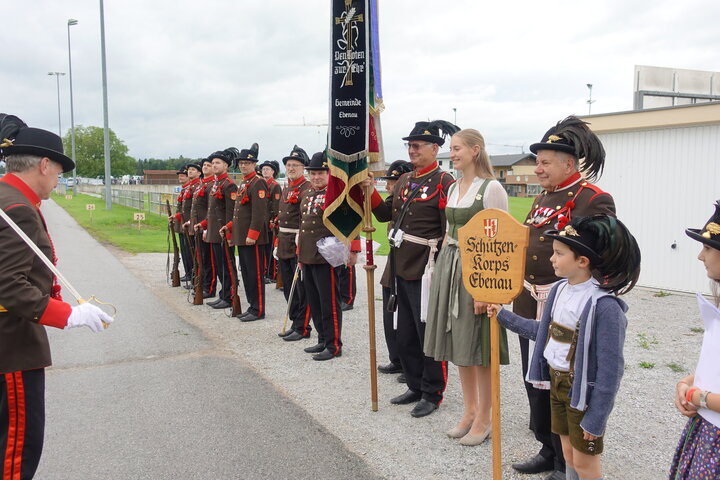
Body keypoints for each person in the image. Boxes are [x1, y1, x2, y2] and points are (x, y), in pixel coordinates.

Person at [0, 115, 114, 479]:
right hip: (11, 344)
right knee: (16, 450)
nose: (59, 179)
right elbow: (8, 285)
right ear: (44, 164)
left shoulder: (9, 197)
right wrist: (67, 315)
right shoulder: (18, 208)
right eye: (59, 171)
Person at [489, 214, 641, 480]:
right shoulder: (559, 289)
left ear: (583, 261)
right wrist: (504, 316)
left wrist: (597, 418)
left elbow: (611, 370)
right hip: (556, 384)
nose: (551, 259)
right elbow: (545, 332)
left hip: (581, 393)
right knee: (568, 455)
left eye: (559, 254)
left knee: (585, 463)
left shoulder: (605, 306)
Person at [512, 116, 616, 480]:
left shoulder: (593, 199)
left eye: (544, 162)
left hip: (566, 305)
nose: (537, 169)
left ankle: (565, 461)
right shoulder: (542, 197)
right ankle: (547, 448)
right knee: (535, 377)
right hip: (531, 298)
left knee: (563, 382)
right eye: (537, 162)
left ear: (568, 164)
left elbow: (604, 254)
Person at [365, 120, 458, 418]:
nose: (412, 150)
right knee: (405, 332)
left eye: (417, 146)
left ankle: (432, 391)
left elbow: (449, 232)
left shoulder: (445, 182)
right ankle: (415, 384)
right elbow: (384, 215)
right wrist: (369, 190)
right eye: (409, 145)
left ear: (435, 148)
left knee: (427, 333)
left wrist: (442, 271)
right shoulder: (405, 180)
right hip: (400, 264)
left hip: (426, 267)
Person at [423, 128, 510, 445]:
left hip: (478, 270)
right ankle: (470, 411)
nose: (452, 153)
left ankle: (485, 417)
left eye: (457, 148)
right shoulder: (455, 186)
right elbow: (450, 231)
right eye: (451, 148)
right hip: (451, 264)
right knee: (459, 343)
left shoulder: (492, 188)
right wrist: (441, 272)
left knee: (479, 347)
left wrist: (485, 290)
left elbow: (499, 240)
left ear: (475, 150)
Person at [670, 201, 720, 479]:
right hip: (707, 427)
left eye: (708, 248)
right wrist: (686, 382)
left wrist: (696, 396)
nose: (701, 256)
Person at [297, 151, 359, 360]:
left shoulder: (337, 194)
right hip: (308, 255)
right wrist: (300, 254)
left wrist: (354, 248)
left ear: (329, 174)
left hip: (327, 257)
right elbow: (303, 226)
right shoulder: (307, 194)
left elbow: (352, 219)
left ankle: (334, 345)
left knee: (329, 302)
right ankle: (322, 339)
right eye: (313, 173)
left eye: (320, 173)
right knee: (314, 301)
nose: (316, 177)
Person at [221, 144, 269, 321]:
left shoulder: (258, 182)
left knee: (255, 275)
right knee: (247, 274)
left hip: (252, 238)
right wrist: (230, 227)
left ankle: (258, 309)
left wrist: (253, 234)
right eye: (241, 163)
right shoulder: (244, 182)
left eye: (247, 163)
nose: (243, 165)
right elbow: (239, 213)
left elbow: (259, 212)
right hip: (242, 236)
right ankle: (251, 306)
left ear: (254, 164)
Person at [376, 160, 412, 378]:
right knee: (390, 317)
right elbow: (382, 214)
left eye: (393, 181)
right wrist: (369, 190)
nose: (389, 186)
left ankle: (410, 364)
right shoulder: (393, 200)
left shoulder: (411, 198)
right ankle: (396, 359)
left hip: (411, 263)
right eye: (389, 181)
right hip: (394, 263)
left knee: (407, 321)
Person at [276, 146, 313, 342]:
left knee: (301, 288)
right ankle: (294, 322)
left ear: (303, 168)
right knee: (289, 286)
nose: (290, 168)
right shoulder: (287, 187)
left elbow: (305, 220)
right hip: (284, 241)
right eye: (288, 165)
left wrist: (301, 244)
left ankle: (303, 326)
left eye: (295, 165)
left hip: (298, 241)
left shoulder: (306, 188)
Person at [195, 148, 239, 310]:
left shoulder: (229, 185)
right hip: (214, 232)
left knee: (227, 267)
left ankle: (230, 296)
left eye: (217, 163)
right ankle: (224, 295)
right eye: (213, 163)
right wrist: (204, 224)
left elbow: (232, 213)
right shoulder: (216, 184)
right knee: (220, 267)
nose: (214, 165)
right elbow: (212, 212)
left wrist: (229, 232)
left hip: (223, 232)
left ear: (226, 166)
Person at [186, 158, 215, 298]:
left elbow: (211, 210)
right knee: (200, 258)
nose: (205, 167)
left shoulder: (212, 185)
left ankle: (208, 287)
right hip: (198, 226)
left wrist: (206, 227)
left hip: (205, 227)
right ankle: (201, 284)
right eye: (204, 165)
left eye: (209, 165)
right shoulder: (202, 184)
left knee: (207, 260)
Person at [177, 163, 202, 289]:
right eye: (189, 170)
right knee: (186, 252)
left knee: (193, 254)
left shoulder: (197, 186)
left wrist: (190, 222)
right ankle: (189, 274)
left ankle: (194, 277)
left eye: (193, 170)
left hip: (192, 225)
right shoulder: (189, 187)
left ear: (199, 173)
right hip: (186, 224)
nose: (190, 172)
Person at [259, 160, 282, 284]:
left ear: (273, 171)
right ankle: (265, 271)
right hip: (261, 221)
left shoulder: (275, 186)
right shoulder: (261, 184)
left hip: (270, 222)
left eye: (267, 169)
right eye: (263, 169)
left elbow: (276, 205)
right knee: (263, 249)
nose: (265, 171)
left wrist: (273, 220)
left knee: (270, 249)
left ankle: (271, 273)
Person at [171, 165, 193, 282]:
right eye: (179, 175)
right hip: (181, 223)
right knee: (184, 251)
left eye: (183, 175)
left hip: (187, 222)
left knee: (189, 252)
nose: (180, 177)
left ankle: (191, 273)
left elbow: (189, 210)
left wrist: (178, 217)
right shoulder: (184, 189)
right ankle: (188, 272)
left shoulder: (190, 189)